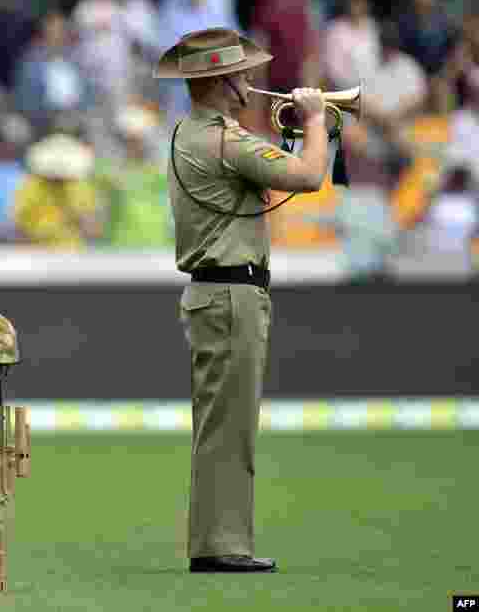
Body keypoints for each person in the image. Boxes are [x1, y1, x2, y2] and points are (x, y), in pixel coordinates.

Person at [154, 28, 329, 573]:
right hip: (232, 294)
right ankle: (222, 546)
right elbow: (309, 174)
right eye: (241, 74)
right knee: (231, 429)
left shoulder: (189, 132)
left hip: (216, 294)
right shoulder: (224, 141)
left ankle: (217, 540)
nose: (250, 82)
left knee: (220, 427)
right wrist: (318, 120)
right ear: (218, 81)